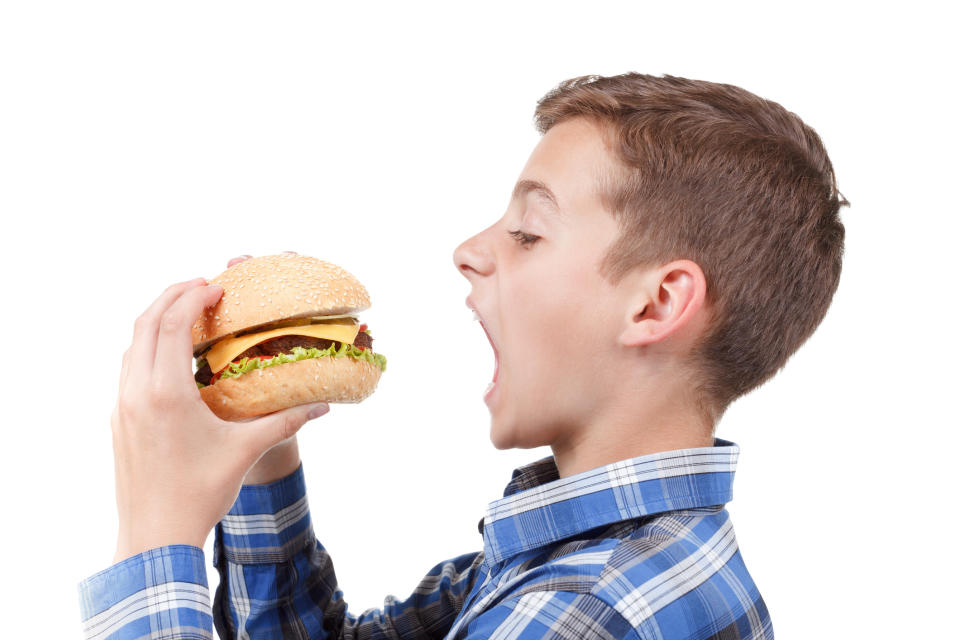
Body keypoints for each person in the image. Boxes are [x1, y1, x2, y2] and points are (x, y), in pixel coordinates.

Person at [78, 72, 846, 639]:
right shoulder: (588, 557)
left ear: (656, 305)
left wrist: (155, 537)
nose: (468, 250)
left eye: (528, 232)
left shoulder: (577, 612)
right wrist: (262, 458)